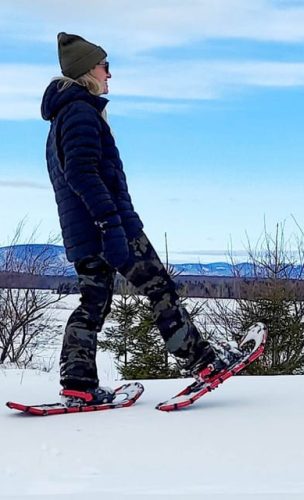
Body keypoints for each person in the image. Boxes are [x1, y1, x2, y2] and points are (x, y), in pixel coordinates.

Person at [41, 32, 240, 406]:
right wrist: (110, 223)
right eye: (105, 66)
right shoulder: (80, 112)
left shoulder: (62, 116)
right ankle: (204, 363)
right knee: (159, 288)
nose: (110, 75)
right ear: (87, 70)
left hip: (84, 232)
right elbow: (82, 173)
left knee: (93, 303)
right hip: (110, 226)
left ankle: (79, 383)